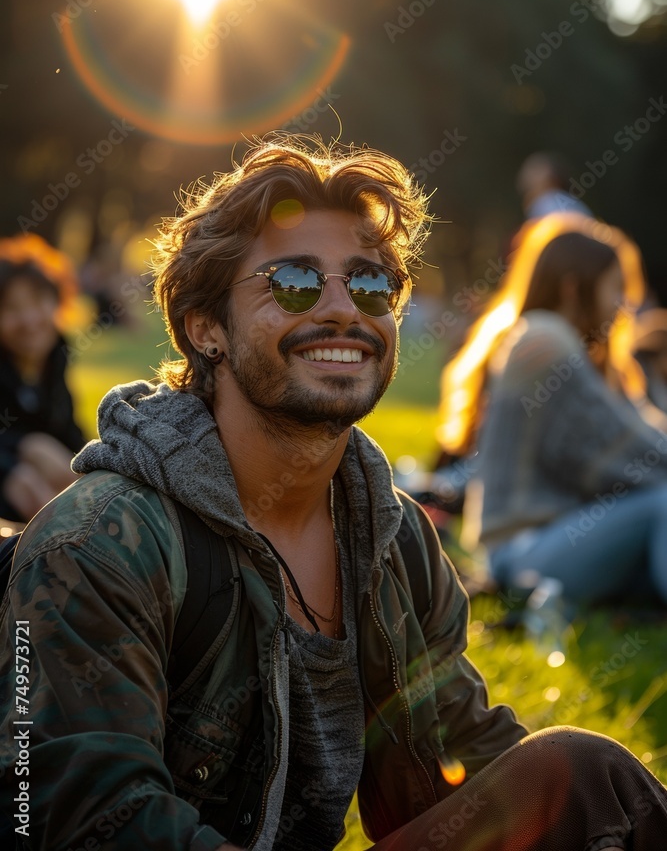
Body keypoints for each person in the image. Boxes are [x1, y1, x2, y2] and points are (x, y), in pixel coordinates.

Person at [1, 141, 665, 851]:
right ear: (206, 328)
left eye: (372, 284)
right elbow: (91, 819)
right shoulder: (101, 543)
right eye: (293, 281)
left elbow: (462, 763)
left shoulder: (391, 536)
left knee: (584, 779)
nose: (344, 310)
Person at [437, 212, 667, 609]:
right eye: (615, 288)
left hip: (555, 542)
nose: (623, 306)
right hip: (523, 554)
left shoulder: (555, 342)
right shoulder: (545, 342)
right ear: (573, 287)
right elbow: (625, 450)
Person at [0, 234, 84, 524]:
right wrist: (11, 467)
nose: (29, 320)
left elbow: (68, 433)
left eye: (38, 302)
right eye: (11, 308)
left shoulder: (56, 356)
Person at [516, 151, 594, 220]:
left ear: (551, 177)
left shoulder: (547, 204)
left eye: (534, 169)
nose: (527, 174)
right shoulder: (574, 204)